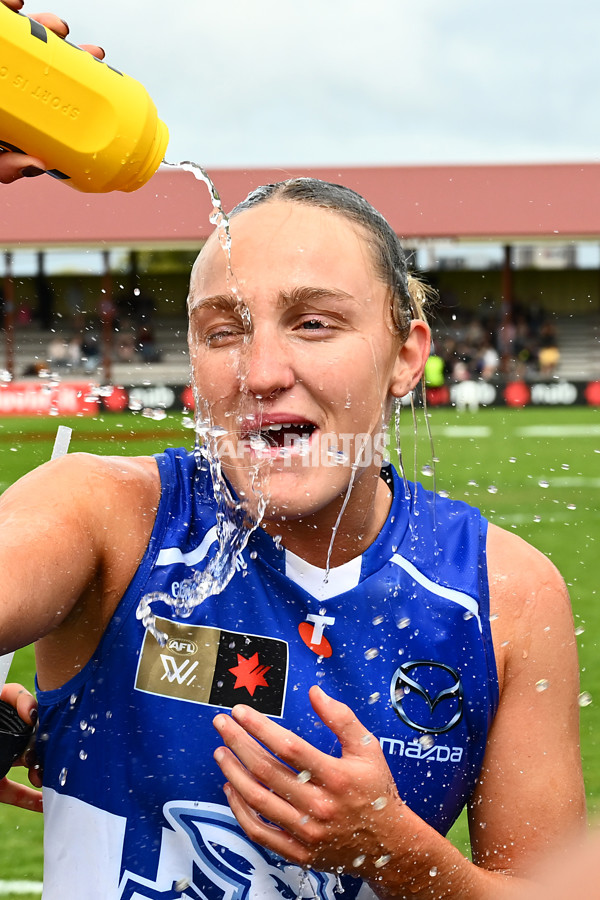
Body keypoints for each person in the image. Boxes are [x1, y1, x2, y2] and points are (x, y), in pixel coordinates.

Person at [0, 8, 585, 899]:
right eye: (221, 330)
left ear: (406, 354)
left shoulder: (503, 593)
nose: (261, 371)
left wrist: (409, 858)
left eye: (315, 323)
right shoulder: (101, 517)